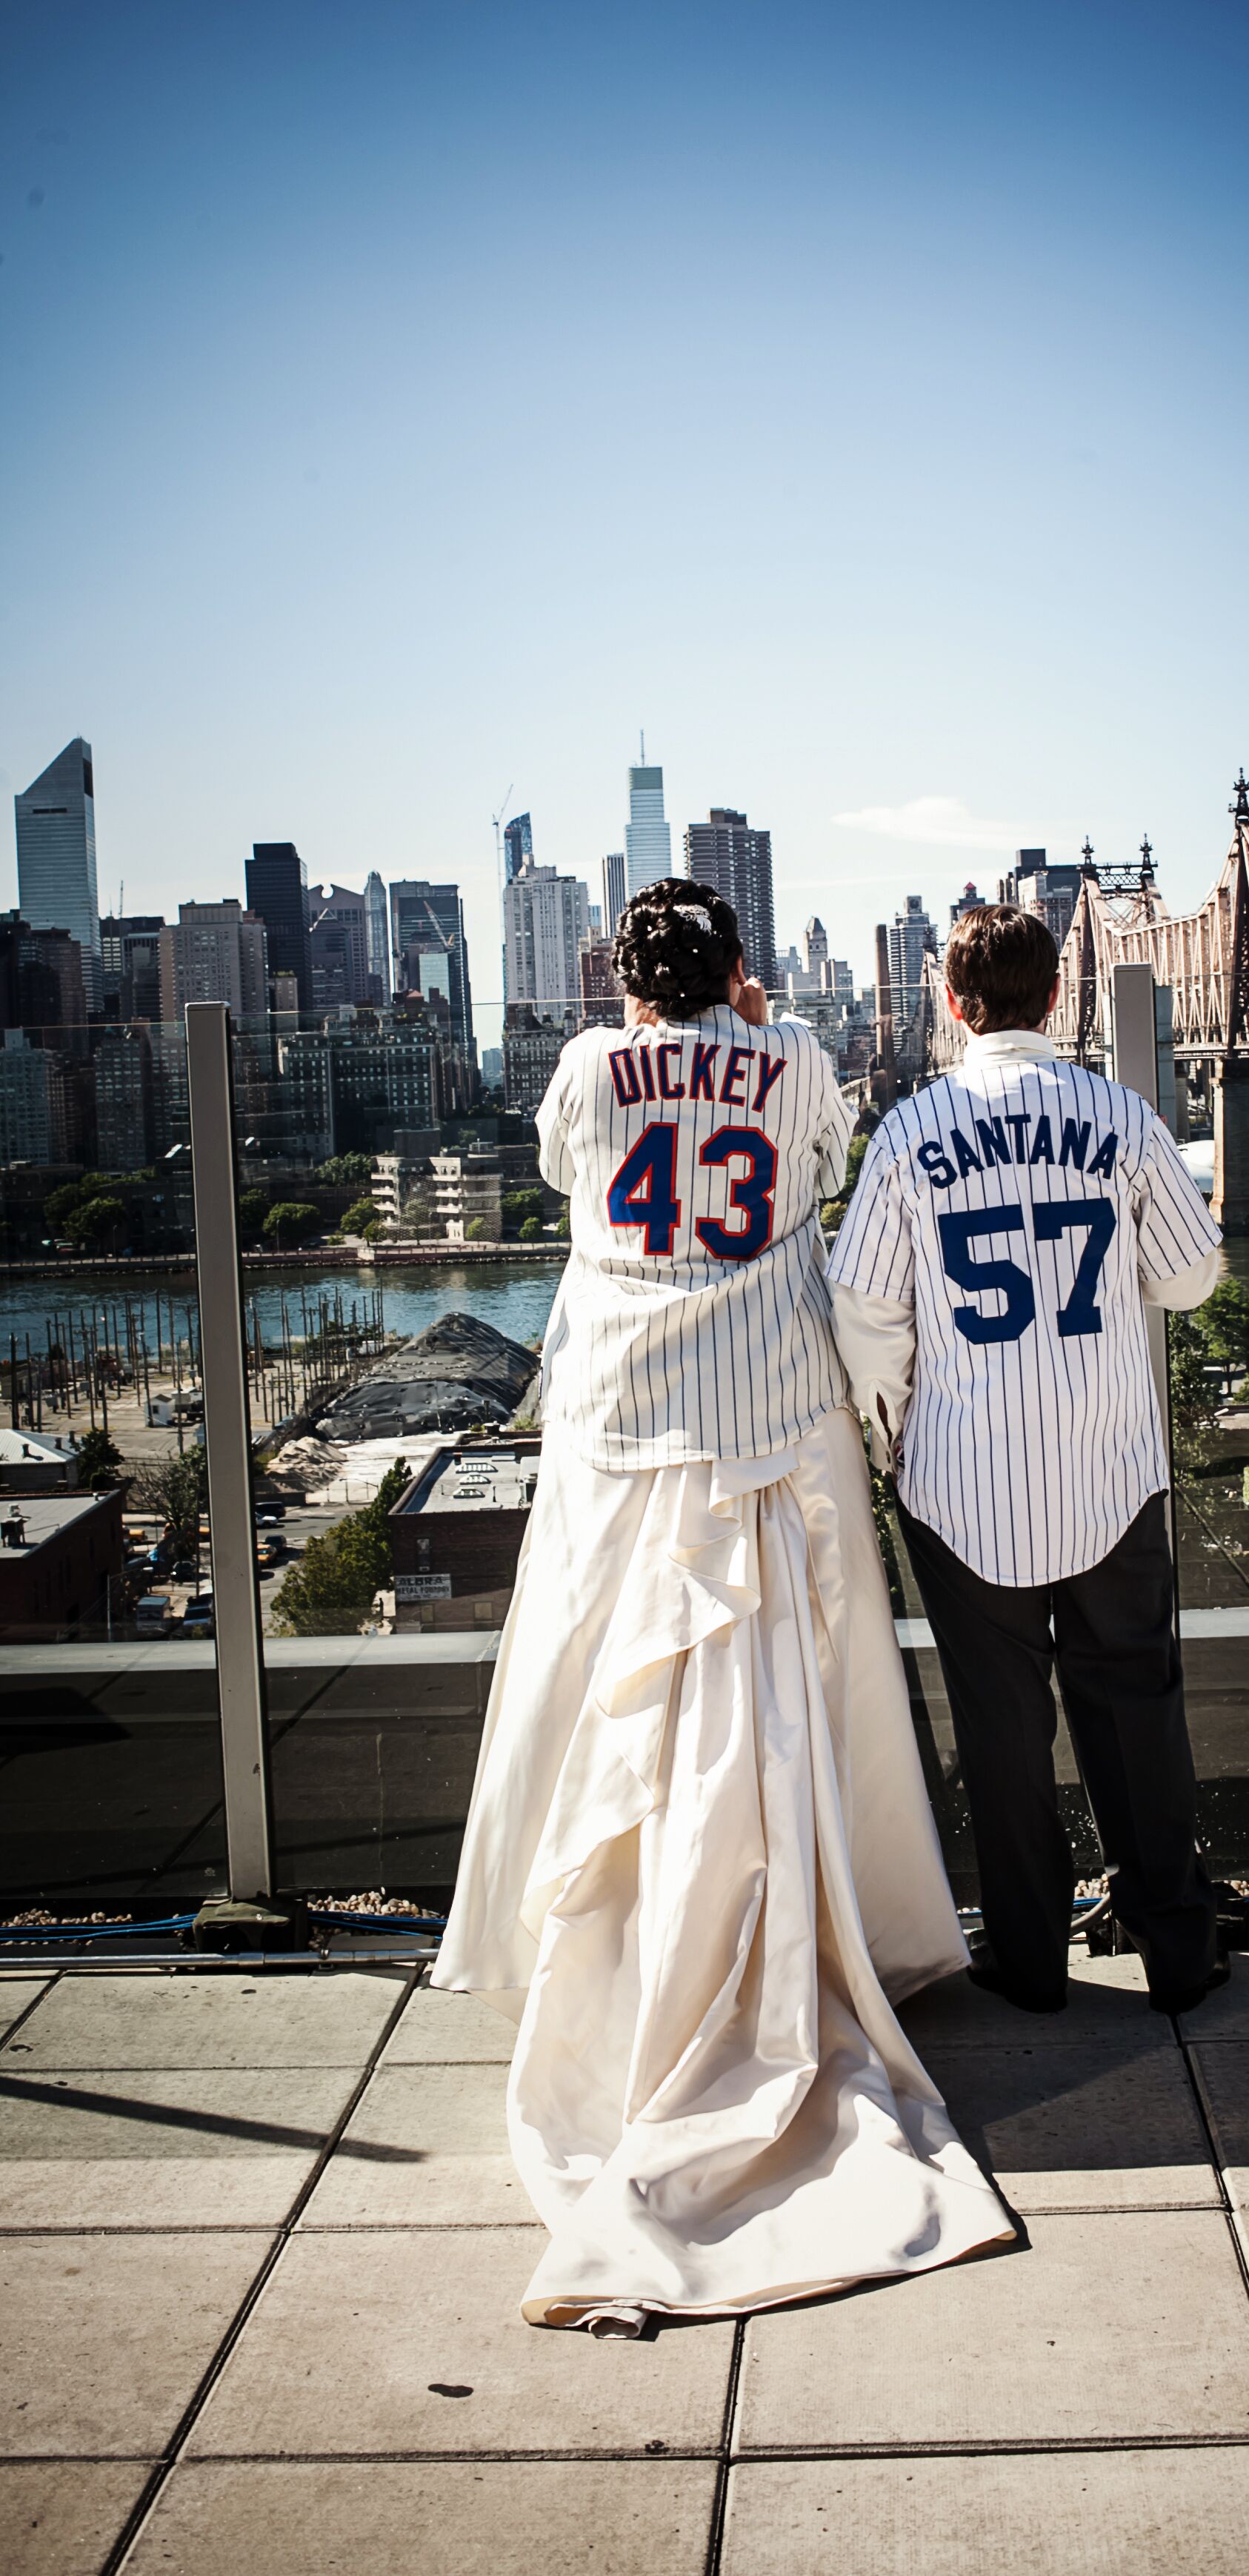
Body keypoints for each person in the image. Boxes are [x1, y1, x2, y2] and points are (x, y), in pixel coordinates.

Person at [434, 880, 1011, 2332]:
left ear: (624, 978)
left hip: (626, 1420)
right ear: (738, 974)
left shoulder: (585, 1068)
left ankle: (606, 1965)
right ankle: (799, 1945)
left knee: (611, 1692)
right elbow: (811, 1175)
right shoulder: (798, 1052)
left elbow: (579, 1183)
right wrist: (751, 1029)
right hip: (765, 1411)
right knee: (776, 1700)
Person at [828, 903, 1226, 2017]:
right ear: (1056, 999)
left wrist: (897, 1422)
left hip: (962, 1486)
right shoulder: (1122, 1116)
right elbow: (1190, 1278)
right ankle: (1177, 1953)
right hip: (1109, 1472)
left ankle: (1032, 1959)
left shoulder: (910, 1132)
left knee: (1002, 1737)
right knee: (1134, 1709)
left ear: (953, 1006)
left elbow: (861, 1305)